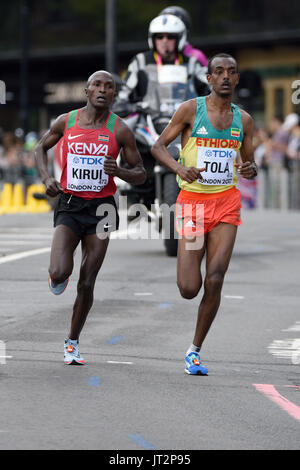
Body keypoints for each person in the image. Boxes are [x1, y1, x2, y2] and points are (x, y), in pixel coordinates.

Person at [152, 53, 258, 375]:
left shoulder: (245, 121)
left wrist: (250, 169)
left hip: (226, 203)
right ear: (209, 78)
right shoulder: (190, 110)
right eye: (218, 72)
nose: (225, 76)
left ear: (237, 79)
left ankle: (194, 351)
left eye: (231, 72)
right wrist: (179, 168)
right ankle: (191, 295)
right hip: (193, 204)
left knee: (215, 278)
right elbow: (158, 147)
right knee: (188, 287)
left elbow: (248, 165)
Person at [35, 70, 146, 365]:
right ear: (86, 91)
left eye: (108, 87)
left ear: (113, 95)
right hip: (70, 204)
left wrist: (119, 171)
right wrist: (46, 178)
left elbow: (141, 173)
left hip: (102, 209)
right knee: (60, 272)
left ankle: (72, 342)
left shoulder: (120, 130)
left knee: (87, 282)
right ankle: (58, 273)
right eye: (97, 85)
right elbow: (39, 148)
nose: (102, 90)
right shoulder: (66, 121)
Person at [114, 14, 209, 113]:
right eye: (159, 37)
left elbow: (212, 90)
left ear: (179, 39)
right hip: (148, 123)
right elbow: (124, 95)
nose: (165, 41)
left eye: (170, 37)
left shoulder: (192, 63)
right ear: (153, 39)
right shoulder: (140, 61)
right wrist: (128, 105)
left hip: (187, 121)